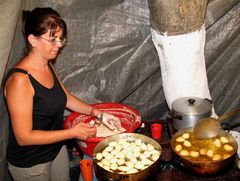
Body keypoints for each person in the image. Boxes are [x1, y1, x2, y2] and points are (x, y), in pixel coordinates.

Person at [3, 7, 120, 181]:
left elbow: (66, 98)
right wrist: (72, 133)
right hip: (31, 163)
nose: (59, 45)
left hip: (55, 149)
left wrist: (98, 113)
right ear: (33, 40)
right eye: (52, 39)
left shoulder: (46, 65)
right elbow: (24, 137)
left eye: (60, 38)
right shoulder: (20, 81)